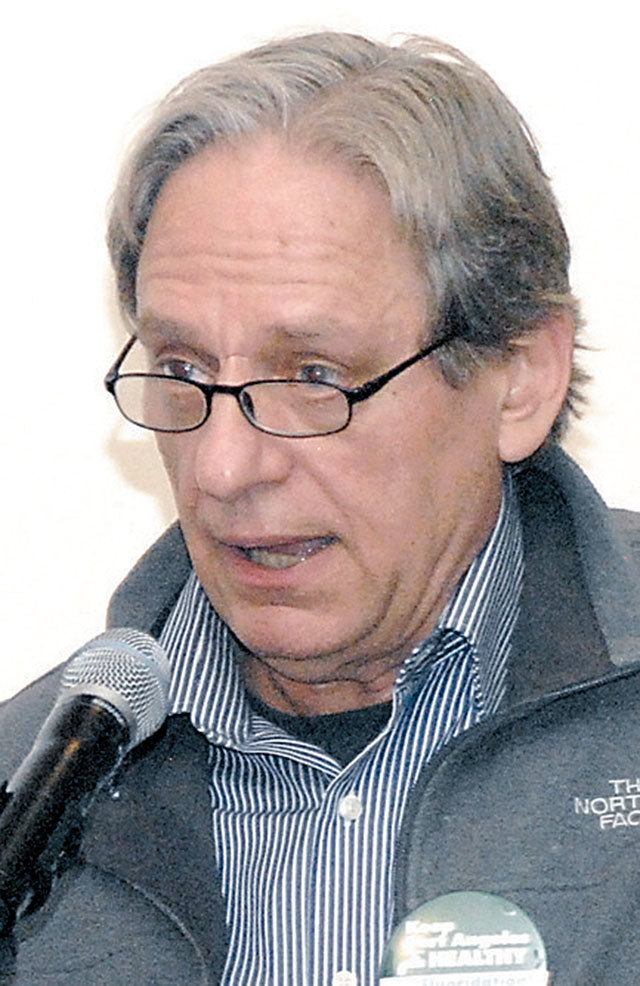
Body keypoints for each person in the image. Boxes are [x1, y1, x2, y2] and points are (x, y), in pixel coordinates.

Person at [1, 30, 639, 986]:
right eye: (184, 370)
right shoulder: (25, 800)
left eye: (314, 376)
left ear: (519, 379)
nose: (223, 468)